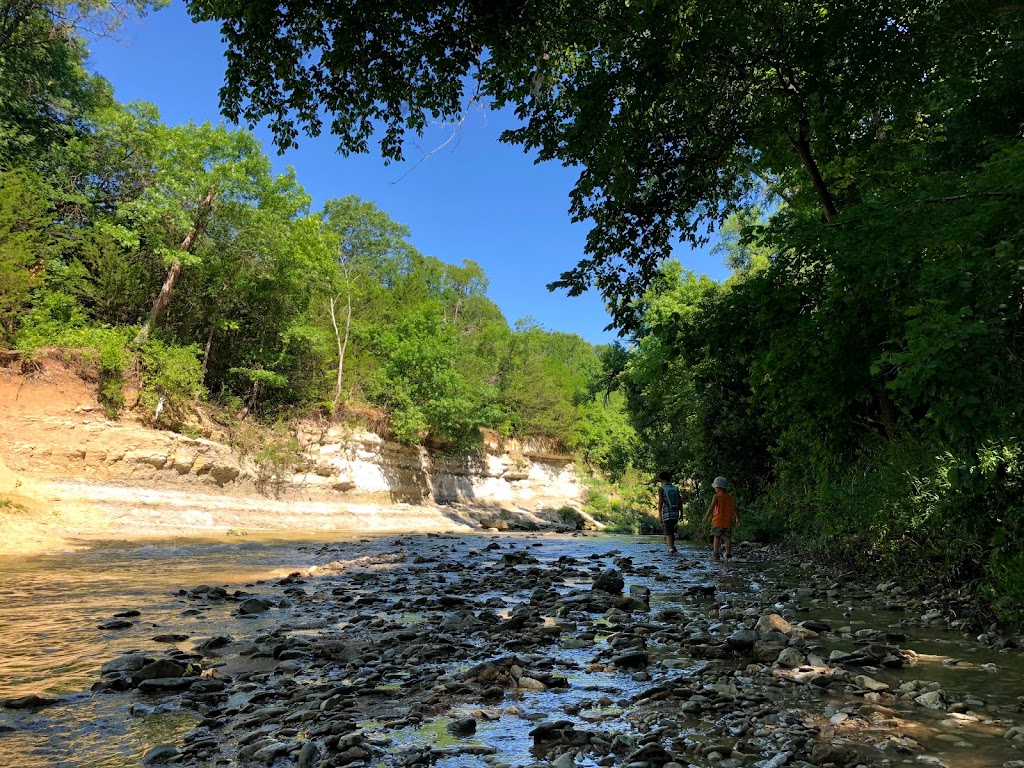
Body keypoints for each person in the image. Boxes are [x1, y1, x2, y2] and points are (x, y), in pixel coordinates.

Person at [703, 476, 739, 561]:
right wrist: (738, 518)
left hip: (717, 521)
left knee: (717, 537)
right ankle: (728, 553)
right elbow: (735, 508)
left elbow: (711, 507)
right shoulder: (730, 497)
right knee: (727, 538)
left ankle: (715, 553)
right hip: (727, 522)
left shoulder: (716, 496)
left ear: (718, 487)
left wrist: (706, 517)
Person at [657, 471, 682, 553]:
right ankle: (672, 546)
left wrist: (660, 515)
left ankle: (670, 548)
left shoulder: (661, 489)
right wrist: (681, 513)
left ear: (661, 479)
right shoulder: (675, 488)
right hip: (675, 513)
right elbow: (680, 501)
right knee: (672, 530)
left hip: (667, 513)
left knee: (668, 531)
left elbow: (660, 502)